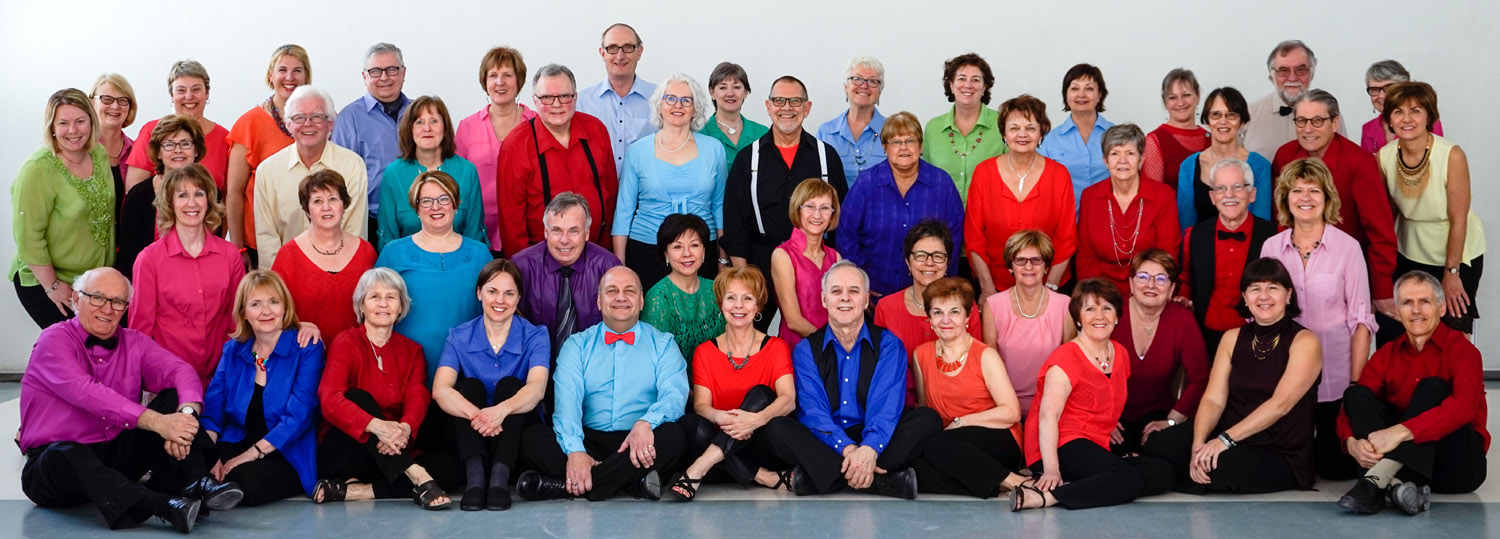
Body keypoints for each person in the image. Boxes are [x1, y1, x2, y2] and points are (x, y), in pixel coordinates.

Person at [19, 267, 242, 534]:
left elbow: (180, 371)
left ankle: (198, 481)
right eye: (98, 297)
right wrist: (158, 423)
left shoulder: (133, 342)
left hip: (113, 455)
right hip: (54, 470)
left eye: (117, 302)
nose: (108, 309)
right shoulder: (53, 340)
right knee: (63, 453)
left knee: (173, 399)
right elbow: (87, 393)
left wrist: (184, 418)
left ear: (126, 308)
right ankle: (162, 506)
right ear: (76, 299)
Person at [1141, 258, 1322, 494]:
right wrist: (1198, 444)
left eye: (1272, 288)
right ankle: (1170, 471)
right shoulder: (1232, 337)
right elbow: (1213, 400)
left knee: (1217, 467)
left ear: (1288, 295)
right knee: (1159, 444)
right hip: (1227, 432)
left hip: (1276, 448)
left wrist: (1224, 441)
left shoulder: (1305, 341)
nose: (1264, 296)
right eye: (1255, 289)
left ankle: (1162, 474)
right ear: (1245, 297)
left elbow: (1280, 405)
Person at [767, 260, 939, 498]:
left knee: (927, 419)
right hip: (828, 439)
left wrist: (869, 448)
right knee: (777, 429)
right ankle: (880, 482)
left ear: (866, 300)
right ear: (824, 299)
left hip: (876, 433)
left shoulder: (888, 344)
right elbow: (814, 412)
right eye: (836, 291)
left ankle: (824, 477)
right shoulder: (806, 349)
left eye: (854, 291)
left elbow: (886, 407)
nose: (845, 298)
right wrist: (847, 449)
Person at [517, 267, 688, 501]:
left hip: (639, 439)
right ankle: (631, 483)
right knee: (532, 439)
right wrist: (576, 451)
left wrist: (646, 423)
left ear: (641, 301)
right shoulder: (576, 345)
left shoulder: (664, 344)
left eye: (629, 291)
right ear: (599, 301)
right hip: (589, 439)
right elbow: (567, 406)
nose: (621, 297)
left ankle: (567, 486)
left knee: (673, 436)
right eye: (612, 291)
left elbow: (674, 397)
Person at [1335, 271, 1488, 515]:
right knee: (1356, 394)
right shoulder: (1386, 354)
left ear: (1441, 308)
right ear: (1397, 311)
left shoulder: (1463, 351)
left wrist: (1399, 432)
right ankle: (1396, 485)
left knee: (1432, 387)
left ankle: (1376, 480)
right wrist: (1351, 442)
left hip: (1456, 467)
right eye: (1407, 303)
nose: (1416, 310)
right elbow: (1352, 406)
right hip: (1409, 465)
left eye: (1424, 301)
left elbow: (1464, 408)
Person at [1261, 158, 1376, 480]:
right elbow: (1262, 314)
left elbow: (1362, 320)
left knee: (1336, 470)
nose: (1305, 198)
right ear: (1285, 198)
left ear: (1327, 197)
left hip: (1334, 379)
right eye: (1297, 190)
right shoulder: (1271, 247)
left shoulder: (1348, 248)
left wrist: (1355, 385)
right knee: (1288, 467)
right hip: (1287, 376)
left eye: (1314, 190)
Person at [315, 268, 451, 510]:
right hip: (348, 450)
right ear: (361, 305)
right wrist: (378, 427)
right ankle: (418, 476)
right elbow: (330, 399)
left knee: (453, 468)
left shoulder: (413, 350)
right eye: (374, 297)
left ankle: (357, 491)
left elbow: (417, 395)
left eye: (391, 297)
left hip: (394, 449)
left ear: (401, 307)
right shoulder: (345, 342)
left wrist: (405, 428)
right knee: (358, 397)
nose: (383, 304)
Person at [1012, 278, 1152, 511]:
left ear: (1117, 316)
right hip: (1060, 442)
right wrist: (1051, 470)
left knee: (1162, 472)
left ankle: (1091, 483)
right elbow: (1047, 417)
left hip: (1097, 440)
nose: (1100, 316)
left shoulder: (1120, 354)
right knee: (1130, 478)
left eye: (1107, 308)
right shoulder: (1065, 358)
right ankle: (1047, 497)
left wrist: (1108, 422)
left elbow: (1107, 397)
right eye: (1090, 309)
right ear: (1078, 318)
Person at [721, 75, 849, 331]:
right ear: (768, 107)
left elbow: (841, 219)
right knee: (751, 338)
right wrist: (746, 280)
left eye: (795, 101)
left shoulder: (826, 157)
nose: (787, 108)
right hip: (761, 264)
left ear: (807, 108)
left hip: (815, 264)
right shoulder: (748, 159)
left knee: (815, 334)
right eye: (779, 101)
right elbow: (735, 222)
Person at [668, 266, 798, 501]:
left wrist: (755, 420)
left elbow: (788, 400)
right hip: (720, 451)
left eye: (747, 298)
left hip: (760, 444)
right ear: (721, 304)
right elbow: (701, 405)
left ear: (758, 306)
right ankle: (763, 477)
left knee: (762, 393)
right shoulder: (704, 351)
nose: (739, 306)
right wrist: (720, 417)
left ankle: (698, 468)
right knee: (691, 424)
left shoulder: (776, 347)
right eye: (731, 298)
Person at [431, 260, 550, 511]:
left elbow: (537, 388)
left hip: (515, 437)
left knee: (511, 386)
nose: (500, 300)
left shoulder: (536, 335)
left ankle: (499, 479)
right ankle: (475, 480)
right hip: (471, 437)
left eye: (509, 293)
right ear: (479, 293)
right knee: (469, 387)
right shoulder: (459, 335)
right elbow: (440, 389)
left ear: (519, 297)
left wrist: (501, 411)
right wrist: (481, 416)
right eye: (492, 291)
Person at [1271, 89, 1398, 321]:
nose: (1308, 129)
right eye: (1301, 121)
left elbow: (1380, 231)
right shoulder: (1284, 156)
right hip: (1294, 272)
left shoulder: (1359, 162)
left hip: (1345, 274)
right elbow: (1280, 219)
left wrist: (1381, 288)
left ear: (1335, 122)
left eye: (1317, 121)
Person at [203, 270, 324, 506]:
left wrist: (250, 454)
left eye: (273, 302)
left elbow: (298, 417)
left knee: (242, 481)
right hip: (235, 441)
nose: (266, 311)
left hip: (284, 452)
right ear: (243, 312)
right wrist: (209, 454)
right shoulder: (233, 350)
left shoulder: (307, 349)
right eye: (256, 304)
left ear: (285, 307)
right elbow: (213, 408)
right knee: (190, 463)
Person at [1377, 82, 1484, 334]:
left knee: (1452, 330)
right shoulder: (1384, 156)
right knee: (1409, 329)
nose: (1406, 119)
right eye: (1398, 112)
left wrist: (1452, 273)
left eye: (1415, 111)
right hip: (1409, 250)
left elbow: (1459, 219)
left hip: (1456, 252)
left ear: (1429, 116)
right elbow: (1386, 215)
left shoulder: (1451, 155)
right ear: (1389, 119)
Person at [909, 277, 1027, 497]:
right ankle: (997, 482)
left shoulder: (985, 355)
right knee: (916, 470)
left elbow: (1011, 412)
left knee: (935, 446)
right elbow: (926, 408)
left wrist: (960, 423)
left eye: (954, 312)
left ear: (967, 317)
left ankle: (1015, 481)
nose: (946, 320)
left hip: (997, 435)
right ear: (930, 318)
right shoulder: (921, 354)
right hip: (950, 443)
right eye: (938, 312)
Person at [131, 164, 245, 388]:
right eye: (182, 195)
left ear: (209, 201)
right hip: (168, 380)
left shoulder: (230, 255)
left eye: (199, 194)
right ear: (170, 203)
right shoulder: (149, 259)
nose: (192, 203)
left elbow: (238, 320)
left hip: (221, 376)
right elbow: (140, 331)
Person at [10, 89, 115, 329]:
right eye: (63, 123)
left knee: (97, 347)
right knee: (71, 346)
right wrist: (52, 286)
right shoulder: (37, 170)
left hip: (90, 283)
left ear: (92, 121)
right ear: (52, 127)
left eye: (80, 121)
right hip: (49, 282)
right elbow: (27, 235)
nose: (73, 130)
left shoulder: (98, 154)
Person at [612, 72, 727, 287]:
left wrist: (722, 259)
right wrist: (620, 264)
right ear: (659, 106)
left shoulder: (714, 149)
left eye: (686, 100)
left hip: (701, 250)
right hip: (646, 250)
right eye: (671, 99)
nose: (678, 105)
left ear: (696, 109)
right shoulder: (637, 151)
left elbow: (720, 206)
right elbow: (624, 211)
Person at [375, 171, 492, 380]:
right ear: (417, 208)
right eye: (427, 201)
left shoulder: (481, 254)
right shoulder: (393, 253)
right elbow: (373, 312)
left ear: (455, 205)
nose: (435, 207)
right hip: (405, 369)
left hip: (467, 368)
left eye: (444, 199)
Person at [497, 63, 619, 257]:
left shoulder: (596, 130)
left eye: (564, 96)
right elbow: (511, 221)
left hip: (595, 254)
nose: (556, 105)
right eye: (546, 97)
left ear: (575, 97)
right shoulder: (516, 145)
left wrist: (604, 255)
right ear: (535, 101)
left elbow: (611, 196)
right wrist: (524, 268)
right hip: (540, 262)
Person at [838, 111, 964, 297]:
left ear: (921, 146)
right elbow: (846, 235)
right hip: (875, 293)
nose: (903, 147)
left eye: (910, 141)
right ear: (884, 147)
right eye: (896, 142)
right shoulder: (866, 183)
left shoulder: (941, 183)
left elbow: (955, 238)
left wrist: (942, 286)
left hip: (929, 294)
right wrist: (860, 282)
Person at [965, 95, 1075, 296]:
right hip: (995, 286)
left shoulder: (1059, 174)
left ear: (1041, 132)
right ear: (1004, 133)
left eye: (1031, 128)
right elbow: (974, 238)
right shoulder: (983, 173)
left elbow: (1066, 238)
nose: (1022, 134)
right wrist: (987, 289)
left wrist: (1050, 290)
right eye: (1014, 128)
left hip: (1049, 284)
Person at [254, 85, 369, 267]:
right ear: (288, 124)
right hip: (285, 274)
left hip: (339, 271)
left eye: (316, 116)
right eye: (299, 117)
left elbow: (354, 231)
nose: (308, 123)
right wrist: (277, 280)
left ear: (330, 123)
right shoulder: (267, 171)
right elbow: (267, 238)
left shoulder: (352, 166)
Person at [1111, 249, 1209, 455]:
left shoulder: (1182, 319)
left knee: (1164, 453)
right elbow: (1089, 370)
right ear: (1131, 283)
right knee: (1107, 453)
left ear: (1172, 288)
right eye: (1143, 277)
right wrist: (1100, 417)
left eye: (1161, 279)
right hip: (1111, 412)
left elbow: (1199, 379)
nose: (1151, 285)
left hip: (1157, 413)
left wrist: (1172, 420)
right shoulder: (1111, 314)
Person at [874, 222, 981, 405]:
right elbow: (882, 370)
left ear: (948, 262)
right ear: (908, 261)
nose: (929, 263)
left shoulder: (966, 305)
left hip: (957, 403)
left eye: (938, 256)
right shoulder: (886, 307)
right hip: (901, 405)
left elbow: (976, 362)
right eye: (920, 256)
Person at [1179, 158, 1279, 351]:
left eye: (1237, 187)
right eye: (1221, 189)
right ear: (1212, 197)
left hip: (1258, 336)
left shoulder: (1274, 236)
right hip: (1204, 337)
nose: (1229, 195)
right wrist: (1183, 298)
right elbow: (1187, 281)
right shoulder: (1194, 235)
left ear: (1252, 194)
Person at [227, 44, 311, 268]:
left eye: (297, 70)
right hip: (259, 244)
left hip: (310, 241)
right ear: (270, 75)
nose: (289, 77)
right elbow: (234, 193)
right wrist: (238, 248)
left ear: (306, 76)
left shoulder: (319, 121)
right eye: (282, 70)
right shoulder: (249, 124)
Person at [271, 170, 378, 339]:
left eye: (333, 199)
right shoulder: (288, 255)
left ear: (344, 205)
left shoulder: (366, 252)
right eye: (317, 201)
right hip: (305, 350)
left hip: (357, 351)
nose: (326, 207)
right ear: (307, 210)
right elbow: (273, 310)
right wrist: (295, 325)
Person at [513, 193, 622, 357]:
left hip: (594, 362)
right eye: (556, 230)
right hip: (534, 362)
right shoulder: (521, 267)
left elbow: (621, 327)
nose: (564, 240)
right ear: (545, 232)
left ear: (587, 233)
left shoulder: (609, 268)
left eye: (573, 231)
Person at [1075, 124, 1180, 294]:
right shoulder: (1090, 197)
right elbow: (1086, 256)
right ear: (1106, 161)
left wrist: (1147, 292)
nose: (1122, 161)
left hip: (1149, 289)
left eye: (1130, 153)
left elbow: (1167, 255)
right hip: (1101, 290)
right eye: (1115, 154)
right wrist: (1096, 295)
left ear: (1141, 159)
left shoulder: (1164, 196)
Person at [983, 230, 1075, 416]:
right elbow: (990, 367)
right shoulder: (993, 305)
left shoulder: (1065, 305)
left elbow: (1070, 366)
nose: (1028, 267)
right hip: (1005, 405)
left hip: (1053, 406)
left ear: (1046, 266)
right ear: (1011, 266)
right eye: (1021, 260)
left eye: (1036, 260)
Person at [455, 46, 537, 254]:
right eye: (493, 75)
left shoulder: (538, 124)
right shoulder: (467, 127)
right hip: (478, 232)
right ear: (485, 82)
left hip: (528, 232)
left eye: (507, 75)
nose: (500, 82)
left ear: (519, 80)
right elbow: (457, 184)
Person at [377, 96, 487, 248]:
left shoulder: (467, 171)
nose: (427, 128)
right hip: (407, 260)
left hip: (460, 259)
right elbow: (388, 237)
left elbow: (474, 233)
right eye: (419, 122)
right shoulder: (393, 174)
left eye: (434, 121)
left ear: (445, 127)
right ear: (409, 129)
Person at [333, 43, 411, 238]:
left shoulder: (420, 113)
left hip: (420, 220)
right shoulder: (349, 118)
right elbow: (339, 178)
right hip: (369, 223)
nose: (384, 77)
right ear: (364, 76)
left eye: (391, 69)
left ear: (403, 72)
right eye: (375, 71)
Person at [117, 115, 205, 281]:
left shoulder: (210, 193)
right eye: (169, 144)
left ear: (196, 150)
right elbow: (129, 257)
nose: (178, 150)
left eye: (185, 144)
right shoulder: (139, 196)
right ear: (158, 152)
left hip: (199, 281)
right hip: (150, 282)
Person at [122, 60, 230, 194]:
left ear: (207, 93)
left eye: (196, 89)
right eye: (181, 90)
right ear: (172, 95)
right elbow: (134, 192)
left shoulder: (224, 138)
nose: (189, 96)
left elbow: (228, 194)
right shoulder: (152, 131)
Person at [1176, 87, 1274, 229]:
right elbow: (1185, 227)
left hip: (1250, 243)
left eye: (1231, 115)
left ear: (1242, 122)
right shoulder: (1188, 167)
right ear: (1207, 121)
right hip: (1200, 243)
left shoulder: (1260, 166)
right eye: (1216, 114)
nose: (1223, 121)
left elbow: (1262, 226)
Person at [923, 53, 1008, 204]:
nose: (968, 85)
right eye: (962, 78)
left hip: (990, 215)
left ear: (984, 87)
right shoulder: (933, 128)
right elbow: (926, 180)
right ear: (951, 85)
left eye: (975, 80)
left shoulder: (1003, 124)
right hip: (942, 216)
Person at [1242, 40, 1347, 159]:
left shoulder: (1331, 114)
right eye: (1283, 70)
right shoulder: (1247, 115)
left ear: (1312, 73)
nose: (1292, 78)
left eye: (1300, 70)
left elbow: (1345, 158)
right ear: (1271, 75)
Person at [643, 214, 725, 363]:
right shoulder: (658, 297)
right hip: (675, 376)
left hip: (718, 373)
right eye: (677, 247)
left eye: (694, 245)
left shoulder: (716, 289)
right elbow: (655, 357)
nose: (687, 253)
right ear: (666, 254)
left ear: (704, 250)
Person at [577, 23, 657, 174]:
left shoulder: (660, 99)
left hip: (645, 188)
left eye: (628, 47)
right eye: (612, 48)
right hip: (598, 188)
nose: (620, 56)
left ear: (639, 52)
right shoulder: (581, 103)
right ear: (602, 53)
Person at [771, 179, 843, 346]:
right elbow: (793, 321)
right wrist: (832, 345)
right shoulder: (783, 255)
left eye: (825, 208)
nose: (817, 215)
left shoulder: (836, 257)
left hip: (834, 346)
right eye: (810, 206)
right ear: (798, 209)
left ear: (832, 213)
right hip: (797, 347)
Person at [1038, 63, 1114, 205]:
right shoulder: (1050, 140)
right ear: (1066, 95)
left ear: (1099, 95)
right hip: (1066, 217)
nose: (1081, 95)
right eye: (1074, 88)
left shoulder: (1117, 135)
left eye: (1089, 88)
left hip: (1109, 216)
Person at [817, 57, 887, 184]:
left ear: (880, 91)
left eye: (872, 81)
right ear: (846, 87)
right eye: (857, 79)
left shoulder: (893, 131)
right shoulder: (825, 133)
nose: (864, 86)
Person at [1142, 69, 1208, 188]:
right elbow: (1153, 193)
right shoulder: (1155, 141)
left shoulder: (1212, 138)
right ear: (1165, 103)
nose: (1180, 103)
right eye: (1173, 97)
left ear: (1198, 96)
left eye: (1186, 95)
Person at [1361, 60, 1443, 154]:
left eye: (1389, 88)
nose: (1381, 96)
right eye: (1374, 89)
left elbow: (1438, 158)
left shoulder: (1427, 122)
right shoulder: (1367, 128)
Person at [701, 62, 769, 171]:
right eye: (723, 87)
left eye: (736, 87)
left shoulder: (762, 133)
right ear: (712, 93)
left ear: (745, 92)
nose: (730, 93)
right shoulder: (700, 134)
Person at [89, 73, 138, 186]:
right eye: (107, 99)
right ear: (92, 103)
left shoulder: (136, 151)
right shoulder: (79, 149)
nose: (115, 106)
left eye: (122, 100)